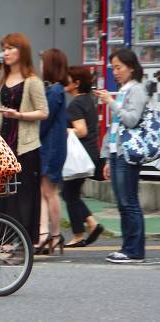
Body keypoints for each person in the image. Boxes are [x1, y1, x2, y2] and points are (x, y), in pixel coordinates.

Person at [0, 33, 49, 245]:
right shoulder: (3, 81)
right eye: (4, 48)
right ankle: (3, 241)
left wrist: (19, 115)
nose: (6, 52)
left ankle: (21, 244)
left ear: (22, 52)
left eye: (11, 48)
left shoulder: (32, 81)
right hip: (4, 149)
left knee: (24, 198)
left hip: (26, 149)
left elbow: (43, 112)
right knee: (3, 198)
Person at [95, 48, 147, 263]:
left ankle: (135, 251)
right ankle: (128, 248)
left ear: (131, 67)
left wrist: (110, 102)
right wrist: (107, 157)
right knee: (123, 203)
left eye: (119, 67)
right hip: (117, 154)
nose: (115, 72)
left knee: (129, 202)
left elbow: (131, 120)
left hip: (128, 154)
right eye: (113, 68)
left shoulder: (137, 90)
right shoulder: (124, 89)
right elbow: (114, 127)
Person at [62, 66, 103, 247]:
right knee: (72, 193)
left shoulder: (76, 103)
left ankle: (79, 234)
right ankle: (91, 225)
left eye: (67, 79)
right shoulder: (88, 100)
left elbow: (81, 130)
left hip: (80, 156)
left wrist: (63, 131)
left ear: (76, 83)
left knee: (68, 193)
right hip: (91, 154)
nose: (64, 82)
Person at [35, 48, 68, 255]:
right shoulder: (55, 90)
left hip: (52, 148)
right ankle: (45, 233)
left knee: (50, 192)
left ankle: (54, 235)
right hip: (51, 146)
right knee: (44, 191)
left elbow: (44, 120)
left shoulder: (55, 91)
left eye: (42, 62)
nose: (40, 66)